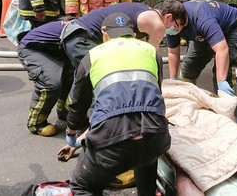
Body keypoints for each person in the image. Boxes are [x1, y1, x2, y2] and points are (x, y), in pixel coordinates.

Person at [64, 12, 171, 196]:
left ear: (104, 34)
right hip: (156, 134)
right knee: (146, 157)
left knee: (82, 185)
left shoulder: (92, 56)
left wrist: (72, 133)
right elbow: (156, 91)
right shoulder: (151, 51)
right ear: (133, 35)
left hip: (111, 139)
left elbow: (77, 103)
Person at [60, 0, 187, 70]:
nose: (172, 29)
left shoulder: (145, 9)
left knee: (76, 78)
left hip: (76, 31)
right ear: (169, 17)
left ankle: (68, 113)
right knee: (100, 76)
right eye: (175, 25)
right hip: (82, 36)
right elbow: (150, 58)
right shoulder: (157, 24)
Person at [166, 0, 237, 96]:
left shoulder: (202, 19)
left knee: (224, 72)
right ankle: (187, 98)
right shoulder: (171, 25)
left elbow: (222, 49)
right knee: (189, 67)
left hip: (231, 27)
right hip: (203, 32)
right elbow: (173, 53)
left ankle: (224, 105)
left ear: (177, 20)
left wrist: (221, 81)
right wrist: (173, 79)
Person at [18, 20, 74, 137]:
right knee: (51, 83)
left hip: (56, 48)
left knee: (73, 74)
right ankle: (37, 123)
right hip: (33, 47)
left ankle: (64, 110)